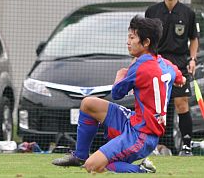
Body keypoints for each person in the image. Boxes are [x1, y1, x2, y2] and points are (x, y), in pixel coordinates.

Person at [52, 15, 186, 173]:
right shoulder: (165, 63)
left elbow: (117, 93)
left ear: (146, 42)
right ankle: (80, 155)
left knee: (92, 166)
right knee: (88, 104)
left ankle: (142, 170)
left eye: (132, 37)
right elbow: (180, 78)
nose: (127, 42)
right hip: (135, 121)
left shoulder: (140, 67)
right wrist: (180, 80)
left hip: (142, 135)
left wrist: (121, 74)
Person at [145, 0, 199, 156]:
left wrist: (192, 59)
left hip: (179, 63)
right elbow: (145, 40)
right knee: (154, 106)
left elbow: (194, 39)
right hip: (156, 62)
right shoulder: (152, 12)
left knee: (182, 103)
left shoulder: (188, 12)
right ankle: (152, 146)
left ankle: (186, 146)